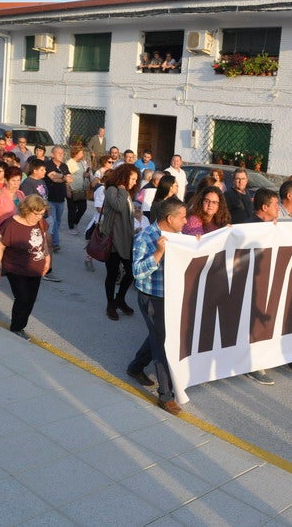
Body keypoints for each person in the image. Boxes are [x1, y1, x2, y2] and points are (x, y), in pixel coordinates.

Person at [126, 197, 188, 415]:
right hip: (151, 298)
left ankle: (135, 368)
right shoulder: (145, 237)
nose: (186, 221)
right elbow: (137, 272)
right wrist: (158, 253)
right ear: (170, 219)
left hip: (171, 296)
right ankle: (166, 396)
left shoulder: (178, 236)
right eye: (182, 217)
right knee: (162, 344)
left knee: (157, 335)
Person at [0, 194, 51, 340]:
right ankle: (16, 327)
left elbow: (43, 241)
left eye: (42, 214)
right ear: (26, 210)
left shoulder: (40, 222)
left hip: (35, 266)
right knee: (23, 297)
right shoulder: (10, 224)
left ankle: (21, 325)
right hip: (15, 267)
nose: (39, 217)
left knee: (31, 299)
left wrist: (47, 258)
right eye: (36, 214)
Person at [244, 187, 280, 386]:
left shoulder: (268, 225)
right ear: (265, 207)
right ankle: (254, 365)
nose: (278, 208)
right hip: (254, 284)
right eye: (275, 205)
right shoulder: (252, 228)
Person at [101, 164, 140, 321]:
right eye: (132, 178)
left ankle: (120, 299)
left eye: (136, 179)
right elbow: (117, 205)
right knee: (112, 273)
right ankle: (111, 304)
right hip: (112, 240)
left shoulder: (127, 194)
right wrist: (123, 188)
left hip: (126, 240)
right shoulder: (112, 190)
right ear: (123, 177)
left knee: (131, 272)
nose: (134, 182)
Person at [44, 145, 72, 252]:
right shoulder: (48, 165)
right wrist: (64, 177)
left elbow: (70, 180)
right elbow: (52, 178)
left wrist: (60, 177)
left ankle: (50, 237)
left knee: (58, 221)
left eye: (62, 153)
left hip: (61, 198)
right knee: (54, 221)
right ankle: (55, 243)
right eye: (58, 153)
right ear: (52, 154)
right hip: (50, 198)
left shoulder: (64, 166)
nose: (61, 155)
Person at [65, 145, 89, 235]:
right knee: (72, 209)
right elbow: (66, 176)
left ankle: (75, 222)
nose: (83, 154)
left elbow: (84, 172)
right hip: (72, 189)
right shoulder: (69, 163)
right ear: (76, 154)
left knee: (83, 207)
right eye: (81, 153)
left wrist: (86, 175)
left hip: (81, 190)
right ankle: (71, 227)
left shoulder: (82, 162)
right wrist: (67, 188)